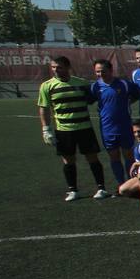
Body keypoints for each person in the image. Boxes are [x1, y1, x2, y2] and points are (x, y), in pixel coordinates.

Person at [37, 56, 108, 201]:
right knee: (68, 160)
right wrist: (46, 129)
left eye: (59, 67)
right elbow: (44, 108)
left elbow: (94, 99)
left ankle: (101, 188)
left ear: (68, 67)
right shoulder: (47, 86)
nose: (56, 70)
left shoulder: (82, 84)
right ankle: (73, 190)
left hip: (84, 127)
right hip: (63, 130)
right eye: (53, 67)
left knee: (92, 157)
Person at [89, 58, 140, 187]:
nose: (100, 74)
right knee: (114, 156)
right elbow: (89, 100)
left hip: (125, 126)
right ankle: (120, 184)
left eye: (103, 71)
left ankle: (132, 183)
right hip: (107, 128)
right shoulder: (95, 87)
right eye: (97, 72)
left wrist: (128, 103)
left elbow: (137, 94)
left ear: (111, 70)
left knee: (129, 156)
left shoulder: (124, 84)